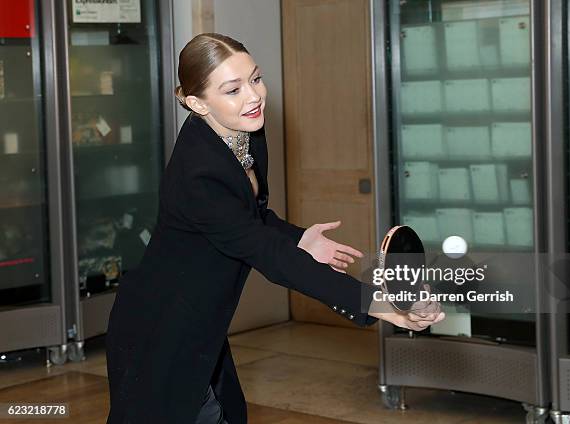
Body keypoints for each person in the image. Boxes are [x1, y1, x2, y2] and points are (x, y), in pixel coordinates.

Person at [105, 33, 444, 424]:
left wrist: (299, 237)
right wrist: (380, 305)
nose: (254, 96)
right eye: (233, 89)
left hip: (200, 325)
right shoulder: (197, 173)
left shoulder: (243, 131)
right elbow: (265, 252)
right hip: (159, 332)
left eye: (255, 78)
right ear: (196, 103)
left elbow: (248, 217)